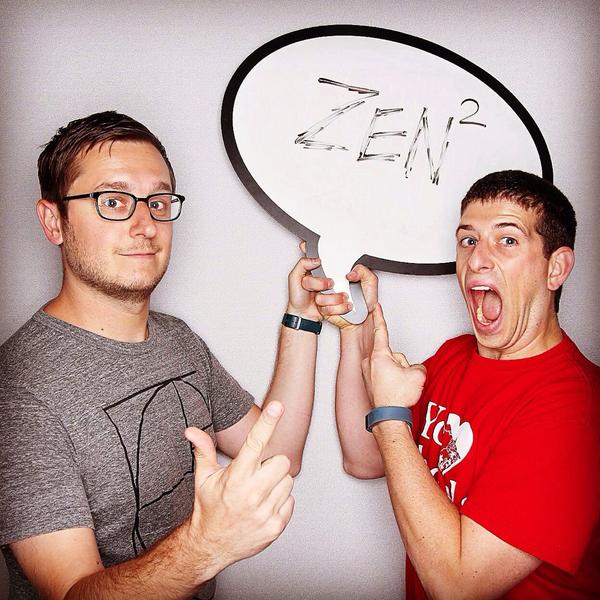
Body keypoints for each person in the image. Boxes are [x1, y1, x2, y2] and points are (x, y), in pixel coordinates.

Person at [0, 111, 332, 600]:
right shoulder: (18, 389)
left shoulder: (179, 340)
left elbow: (278, 454)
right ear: (54, 221)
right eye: (113, 201)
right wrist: (207, 545)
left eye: (157, 202)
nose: (145, 225)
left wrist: (301, 318)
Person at [305, 170, 600, 598]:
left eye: (507, 240)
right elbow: (364, 458)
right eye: (468, 240)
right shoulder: (455, 355)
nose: (477, 259)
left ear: (556, 268)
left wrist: (391, 416)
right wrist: (355, 336)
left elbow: (459, 587)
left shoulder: (577, 408)